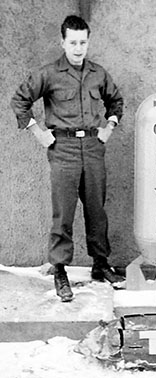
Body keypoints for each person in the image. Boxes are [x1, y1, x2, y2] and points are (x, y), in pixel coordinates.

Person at [11, 15, 125, 302]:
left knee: (96, 210)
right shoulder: (49, 74)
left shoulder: (98, 74)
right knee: (63, 211)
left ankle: (101, 265)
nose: (78, 48)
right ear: (62, 42)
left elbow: (116, 101)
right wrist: (38, 132)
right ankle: (60, 268)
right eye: (72, 42)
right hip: (63, 149)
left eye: (83, 42)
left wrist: (108, 128)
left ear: (88, 42)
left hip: (93, 146)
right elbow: (20, 100)